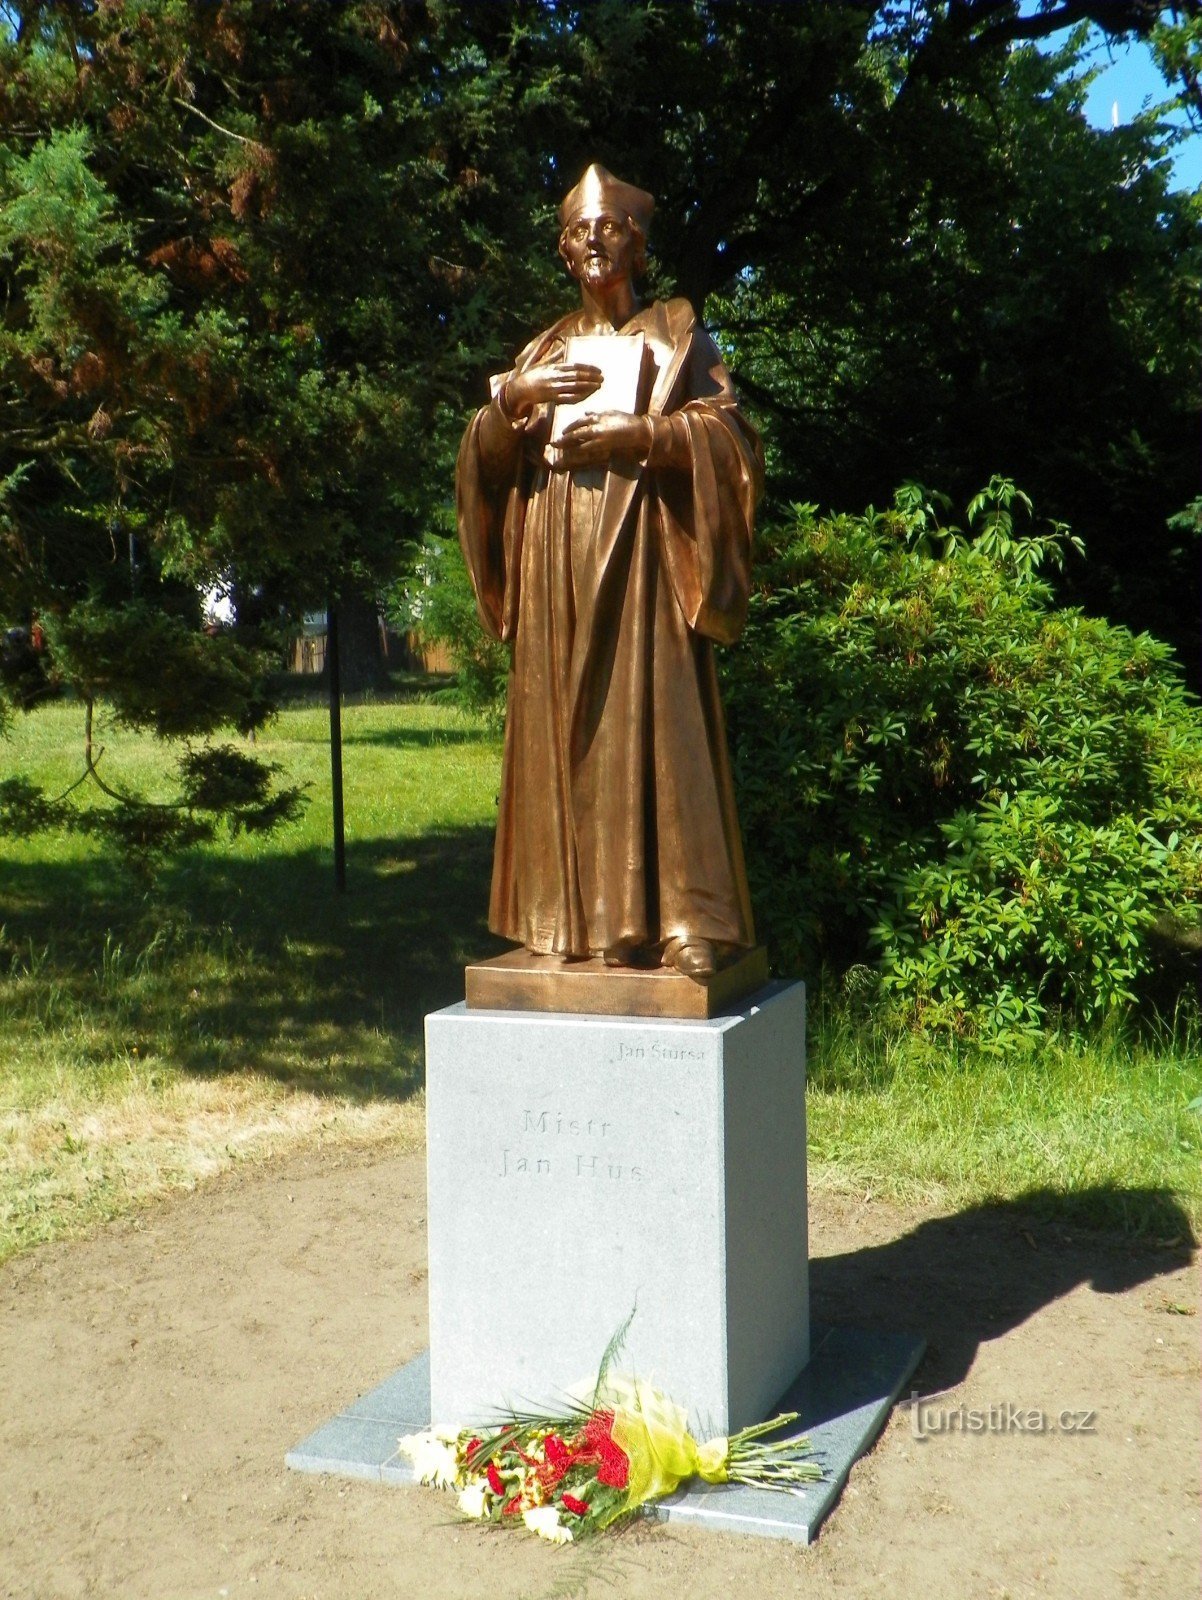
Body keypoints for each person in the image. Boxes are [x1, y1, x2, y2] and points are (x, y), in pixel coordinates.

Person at [456, 164, 762, 979]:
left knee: (660, 723)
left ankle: (683, 920)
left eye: (611, 227)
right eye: (579, 232)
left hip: (645, 557)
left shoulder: (679, 337)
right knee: (568, 728)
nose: (595, 241)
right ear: (563, 251)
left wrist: (645, 439)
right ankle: (569, 920)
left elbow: (732, 444)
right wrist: (507, 405)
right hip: (558, 557)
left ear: (640, 241)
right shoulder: (543, 350)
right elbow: (482, 469)